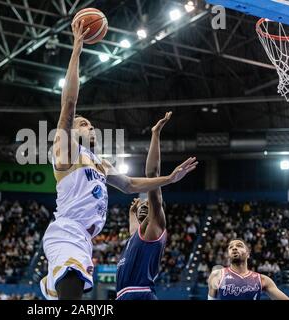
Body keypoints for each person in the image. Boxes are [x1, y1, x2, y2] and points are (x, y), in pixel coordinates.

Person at [39, 17, 198, 300]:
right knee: (72, 292)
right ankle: (54, 283)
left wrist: (170, 178)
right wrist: (77, 49)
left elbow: (131, 185)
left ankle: (51, 284)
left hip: (84, 238)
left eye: (90, 123)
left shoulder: (101, 165)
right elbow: (69, 103)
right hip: (67, 230)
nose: (89, 125)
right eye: (83, 123)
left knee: (72, 289)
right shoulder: (66, 152)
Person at [116, 112, 177, 300]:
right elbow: (133, 227)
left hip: (140, 294)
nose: (144, 205)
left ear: (157, 209)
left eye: (147, 205)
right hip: (124, 296)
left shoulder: (156, 225)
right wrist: (132, 211)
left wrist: (155, 133)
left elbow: (152, 174)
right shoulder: (138, 235)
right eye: (141, 204)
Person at [207, 239, 289, 300]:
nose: (234, 248)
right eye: (230, 247)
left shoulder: (262, 279)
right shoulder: (217, 275)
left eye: (239, 246)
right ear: (228, 254)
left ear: (248, 254)